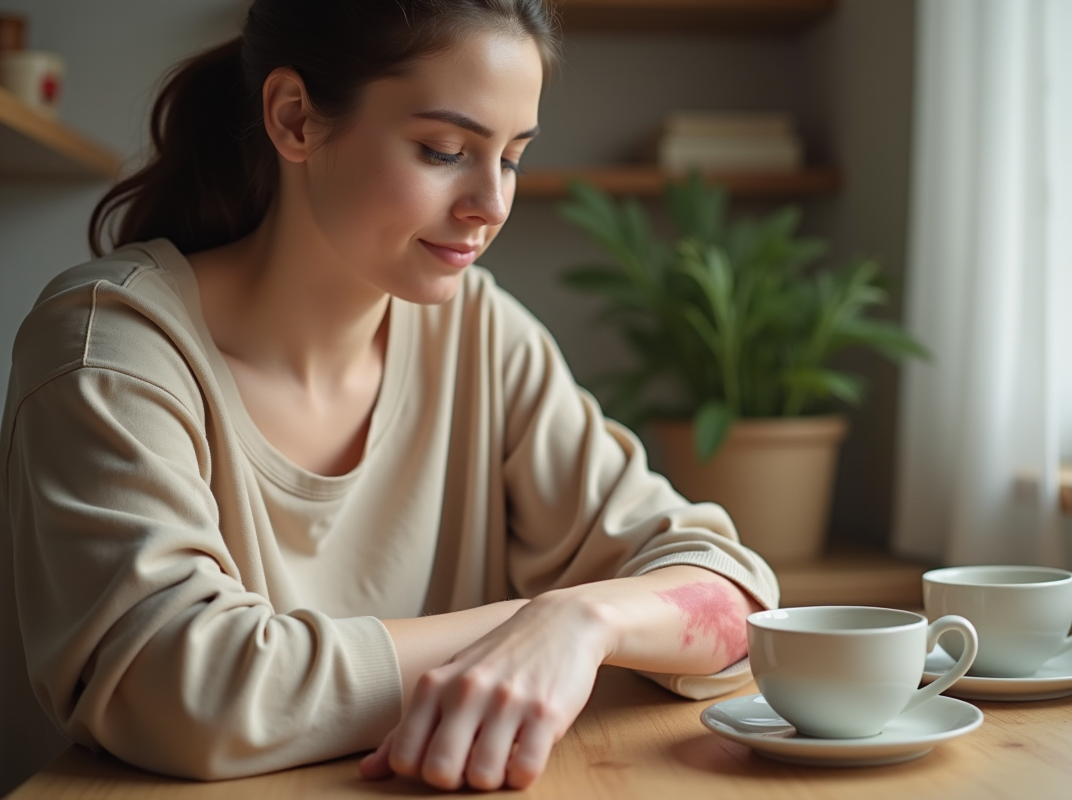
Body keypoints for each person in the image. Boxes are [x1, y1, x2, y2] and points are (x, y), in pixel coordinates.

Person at [0, 0, 779, 792]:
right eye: (444, 151)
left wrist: (579, 620)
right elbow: (186, 691)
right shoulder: (109, 349)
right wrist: (525, 630)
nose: (492, 204)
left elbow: (731, 588)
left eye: (510, 157)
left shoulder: (484, 334)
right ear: (295, 119)